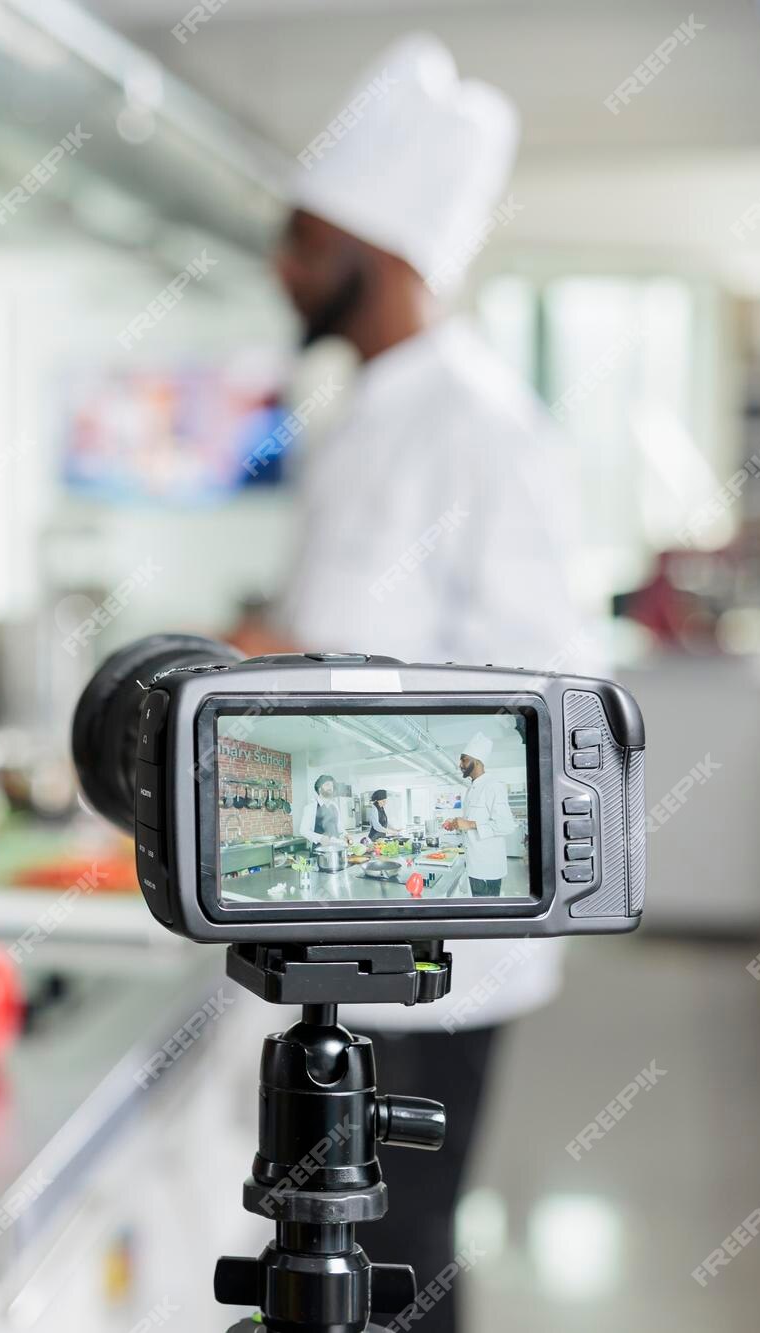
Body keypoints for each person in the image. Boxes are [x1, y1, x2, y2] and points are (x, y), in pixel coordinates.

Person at [262, 34, 598, 1333]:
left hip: (437, 935)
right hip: (349, 898)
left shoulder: (478, 421)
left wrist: (297, 674)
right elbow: (352, 628)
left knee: (396, 1258)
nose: (282, 266)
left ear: (380, 252)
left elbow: (537, 694)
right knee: (337, 1241)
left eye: (304, 240)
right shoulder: (368, 411)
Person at [443, 733, 516, 896]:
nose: (460, 764)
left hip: (488, 866)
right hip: (474, 864)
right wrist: (456, 823)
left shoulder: (493, 785)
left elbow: (507, 825)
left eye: (463, 759)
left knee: (489, 914)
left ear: (476, 760)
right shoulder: (471, 789)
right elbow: (471, 822)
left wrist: (469, 824)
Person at [296, 774, 346, 845]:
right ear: (319, 789)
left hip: (336, 849)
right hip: (319, 851)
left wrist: (345, 835)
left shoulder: (335, 806)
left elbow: (339, 827)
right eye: (327, 785)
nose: (330, 788)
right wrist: (320, 838)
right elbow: (303, 830)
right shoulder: (310, 808)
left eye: (331, 785)